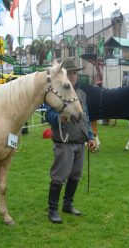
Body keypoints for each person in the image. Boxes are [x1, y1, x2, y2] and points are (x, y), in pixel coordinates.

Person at [45, 60, 96, 224]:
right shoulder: (56, 92)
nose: (74, 76)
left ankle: (68, 204)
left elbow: (86, 117)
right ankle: (52, 209)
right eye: (70, 73)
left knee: (75, 176)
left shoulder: (81, 94)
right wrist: (58, 117)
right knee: (59, 177)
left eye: (75, 73)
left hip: (80, 141)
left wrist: (90, 137)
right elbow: (48, 115)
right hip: (64, 141)